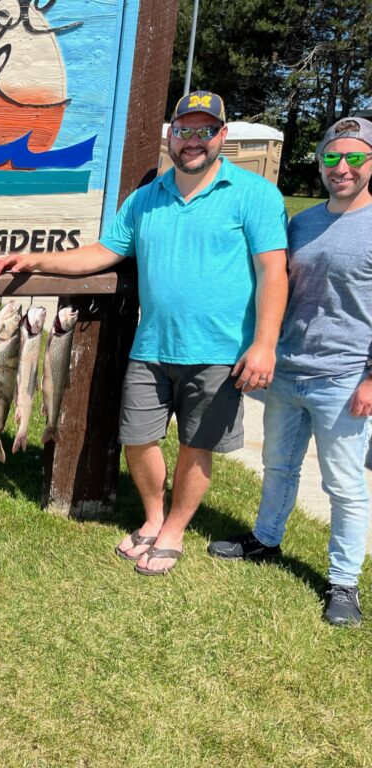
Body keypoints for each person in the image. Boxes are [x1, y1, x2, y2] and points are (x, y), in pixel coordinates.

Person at [0, 91, 289, 576]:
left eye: (205, 131)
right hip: (151, 345)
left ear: (221, 137)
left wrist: (265, 343)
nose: (193, 141)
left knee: (197, 445)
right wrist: (37, 260)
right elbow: (102, 252)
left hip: (220, 350)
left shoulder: (254, 195)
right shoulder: (146, 198)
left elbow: (274, 273)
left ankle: (174, 531)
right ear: (170, 136)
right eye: (184, 130)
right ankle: (153, 518)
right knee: (138, 438)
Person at [208, 117, 372, 626]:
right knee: (279, 465)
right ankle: (266, 539)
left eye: (354, 158)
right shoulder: (301, 223)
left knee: (344, 485)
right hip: (288, 367)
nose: (341, 168)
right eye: (331, 157)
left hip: (345, 379)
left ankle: (343, 582)